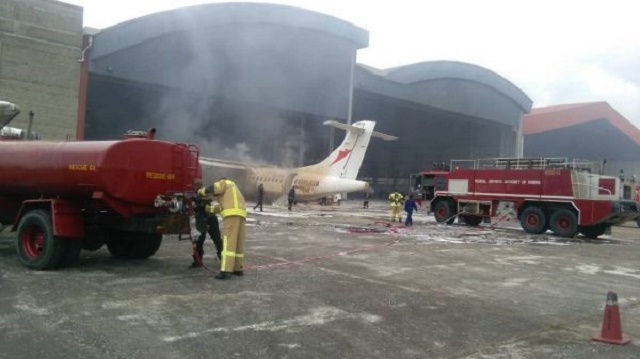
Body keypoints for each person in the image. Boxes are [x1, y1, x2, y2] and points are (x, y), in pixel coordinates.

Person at [198, 177, 247, 280]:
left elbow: (214, 187)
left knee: (228, 242)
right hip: (241, 215)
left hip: (231, 216)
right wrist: (206, 208)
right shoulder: (231, 193)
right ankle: (238, 269)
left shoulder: (225, 182)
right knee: (237, 242)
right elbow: (219, 208)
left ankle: (226, 270)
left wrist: (201, 191)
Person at [190, 195, 222, 268]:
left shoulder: (202, 195)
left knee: (217, 240)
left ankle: (224, 260)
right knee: (199, 241)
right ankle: (197, 261)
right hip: (201, 220)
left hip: (210, 220)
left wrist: (207, 223)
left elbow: (208, 204)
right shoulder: (193, 196)